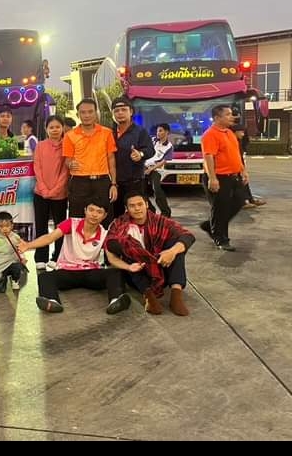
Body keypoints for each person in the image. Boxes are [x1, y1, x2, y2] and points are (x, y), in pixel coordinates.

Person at [22, 203, 128, 316]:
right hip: (67, 271)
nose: (94, 214)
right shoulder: (71, 223)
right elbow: (49, 238)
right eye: (91, 210)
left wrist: (129, 267)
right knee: (45, 276)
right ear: (85, 210)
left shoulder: (105, 233)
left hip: (90, 272)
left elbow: (112, 259)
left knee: (115, 273)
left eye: (99, 212)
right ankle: (52, 301)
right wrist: (28, 245)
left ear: (105, 215)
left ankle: (115, 300)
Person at [105, 192, 195, 315]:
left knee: (176, 246)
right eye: (132, 206)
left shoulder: (159, 221)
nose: (137, 208)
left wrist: (171, 252)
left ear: (146, 204)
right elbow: (110, 253)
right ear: (127, 208)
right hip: (136, 272)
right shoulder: (118, 224)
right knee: (127, 246)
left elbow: (188, 236)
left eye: (140, 204)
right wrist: (129, 267)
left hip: (160, 266)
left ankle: (176, 295)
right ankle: (148, 296)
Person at [200, 104, 249, 250]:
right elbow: (208, 157)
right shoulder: (210, 134)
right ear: (217, 118)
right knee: (221, 209)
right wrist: (212, 178)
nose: (231, 117)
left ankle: (211, 225)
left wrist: (243, 171)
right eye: (227, 114)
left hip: (234, 176)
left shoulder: (229, 133)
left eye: (231, 114)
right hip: (219, 177)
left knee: (240, 200)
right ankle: (221, 239)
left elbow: (236, 155)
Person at [62, 100, 118, 216]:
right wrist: (70, 164)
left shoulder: (107, 133)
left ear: (96, 113)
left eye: (90, 112)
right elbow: (67, 160)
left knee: (104, 217)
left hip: (102, 182)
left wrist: (113, 184)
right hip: (79, 182)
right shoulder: (69, 136)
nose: (87, 115)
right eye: (83, 112)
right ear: (78, 115)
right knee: (77, 218)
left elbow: (111, 159)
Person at [32, 116, 69, 263]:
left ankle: (58, 257)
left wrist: (54, 191)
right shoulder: (40, 146)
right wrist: (43, 189)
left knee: (59, 228)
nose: (54, 130)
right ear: (46, 129)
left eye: (57, 127)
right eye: (51, 127)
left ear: (62, 128)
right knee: (41, 226)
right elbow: (37, 168)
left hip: (60, 195)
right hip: (40, 193)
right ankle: (41, 258)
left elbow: (65, 171)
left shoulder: (67, 145)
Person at [110, 98, 155, 213]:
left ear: (131, 112)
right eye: (116, 111)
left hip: (134, 182)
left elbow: (150, 150)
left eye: (123, 110)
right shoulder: (109, 133)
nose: (120, 113)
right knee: (116, 214)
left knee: (138, 213)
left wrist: (140, 154)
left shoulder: (140, 131)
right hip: (114, 183)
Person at [144, 123, 174, 216]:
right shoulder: (152, 140)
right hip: (144, 168)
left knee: (156, 189)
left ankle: (165, 212)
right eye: (157, 131)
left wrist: (151, 169)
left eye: (160, 131)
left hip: (156, 170)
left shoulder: (169, 146)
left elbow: (163, 162)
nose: (158, 133)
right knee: (141, 191)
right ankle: (151, 210)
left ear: (167, 132)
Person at [234, 126, 266, 208]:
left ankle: (249, 199)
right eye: (241, 132)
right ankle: (243, 202)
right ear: (235, 132)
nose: (243, 134)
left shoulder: (238, 141)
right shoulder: (232, 141)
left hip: (239, 165)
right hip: (233, 167)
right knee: (238, 185)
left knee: (244, 183)